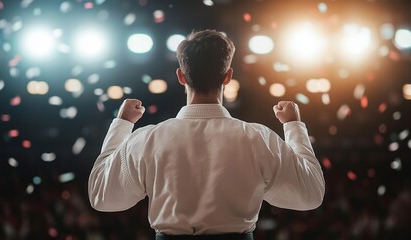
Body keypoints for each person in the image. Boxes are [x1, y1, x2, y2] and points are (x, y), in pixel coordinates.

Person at [88, 29, 325, 240]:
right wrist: (293, 125)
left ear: (181, 76)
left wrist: (122, 124)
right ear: (228, 76)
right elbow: (311, 194)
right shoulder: (258, 138)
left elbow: (101, 196)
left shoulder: (148, 139)